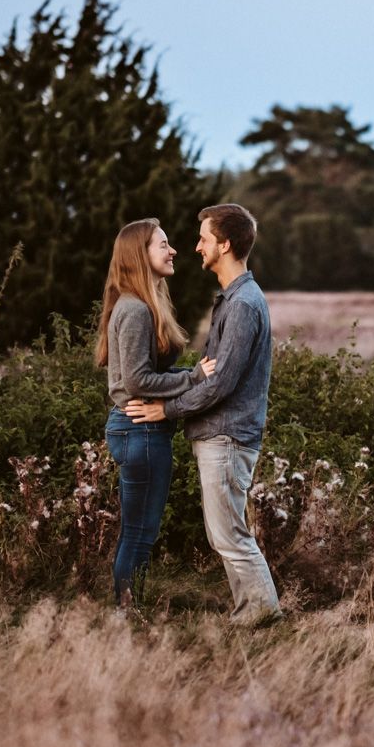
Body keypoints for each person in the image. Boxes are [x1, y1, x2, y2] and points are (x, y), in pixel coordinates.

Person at [126, 203, 279, 625]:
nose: (196, 247)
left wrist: (166, 410)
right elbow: (211, 375)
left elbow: (221, 383)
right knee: (224, 532)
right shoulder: (234, 300)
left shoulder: (244, 304)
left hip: (227, 437)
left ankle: (261, 614)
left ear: (225, 245)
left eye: (204, 239)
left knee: (229, 533)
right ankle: (253, 611)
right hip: (221, 436)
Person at [96, 218, 214, 608]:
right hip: (138, 427)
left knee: (141, 531)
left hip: (141, 429)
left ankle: (129, 609)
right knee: (138, 533)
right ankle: (126, 615)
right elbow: (137, 381)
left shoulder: (142, 306)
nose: (173, 250)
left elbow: (150, 374)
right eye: (162, 244)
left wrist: (186, 376)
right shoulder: (134, 311)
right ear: (139, 255)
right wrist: (194, 378)